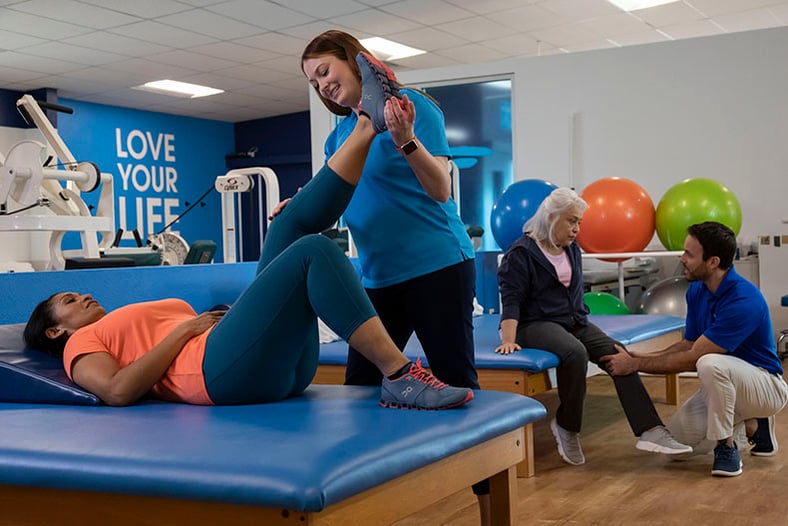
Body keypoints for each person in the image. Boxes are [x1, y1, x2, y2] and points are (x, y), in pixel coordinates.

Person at [22, 60, 473, 412]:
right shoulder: (80, 345)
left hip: (255, 363)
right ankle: (399, 374)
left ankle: (366, 125)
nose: (80, 296)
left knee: (288, 223)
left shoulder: (115, 324)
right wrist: (188, 331)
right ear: (56, 329)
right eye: (67, 301)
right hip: (218, 373)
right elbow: (119, 391)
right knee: (311, 248)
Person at [300, 30, 489, 522]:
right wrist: (299, 206)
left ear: (355, 61)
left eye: (325, 71)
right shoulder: (339, 136)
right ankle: (365, 490)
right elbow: (338, 201)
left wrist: (404, 140)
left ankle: (486, 493)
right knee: (363, 384)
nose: (321, 86)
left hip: (438, 266)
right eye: (313, 82)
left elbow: (441, 189)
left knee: (453, 379)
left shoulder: (413, 107)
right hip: (378, 276)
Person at [496, 187, 692, 466]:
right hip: (534, 324)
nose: (577, 229)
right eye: (571, 221)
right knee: (574, 353)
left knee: (618, 353)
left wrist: (581, 321)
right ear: (551, 217)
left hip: (573, 321)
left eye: (579, 222)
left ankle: (651, 430)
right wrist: (509, 339)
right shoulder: (521, 253)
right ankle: (567, 426)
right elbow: (511, 300)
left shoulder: (571, 248)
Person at [601, 221, 788, 476]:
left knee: (709, 363)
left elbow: (693, 358)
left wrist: (635, 365)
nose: (682, 258)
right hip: (724, 382)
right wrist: (642, 355)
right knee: (677, 446)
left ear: (713, 261)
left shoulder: (744, 300)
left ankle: (726, 447)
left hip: (766, 385)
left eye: (689, 254)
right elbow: (688, 344)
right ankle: (756, 427)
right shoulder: (698, 290)